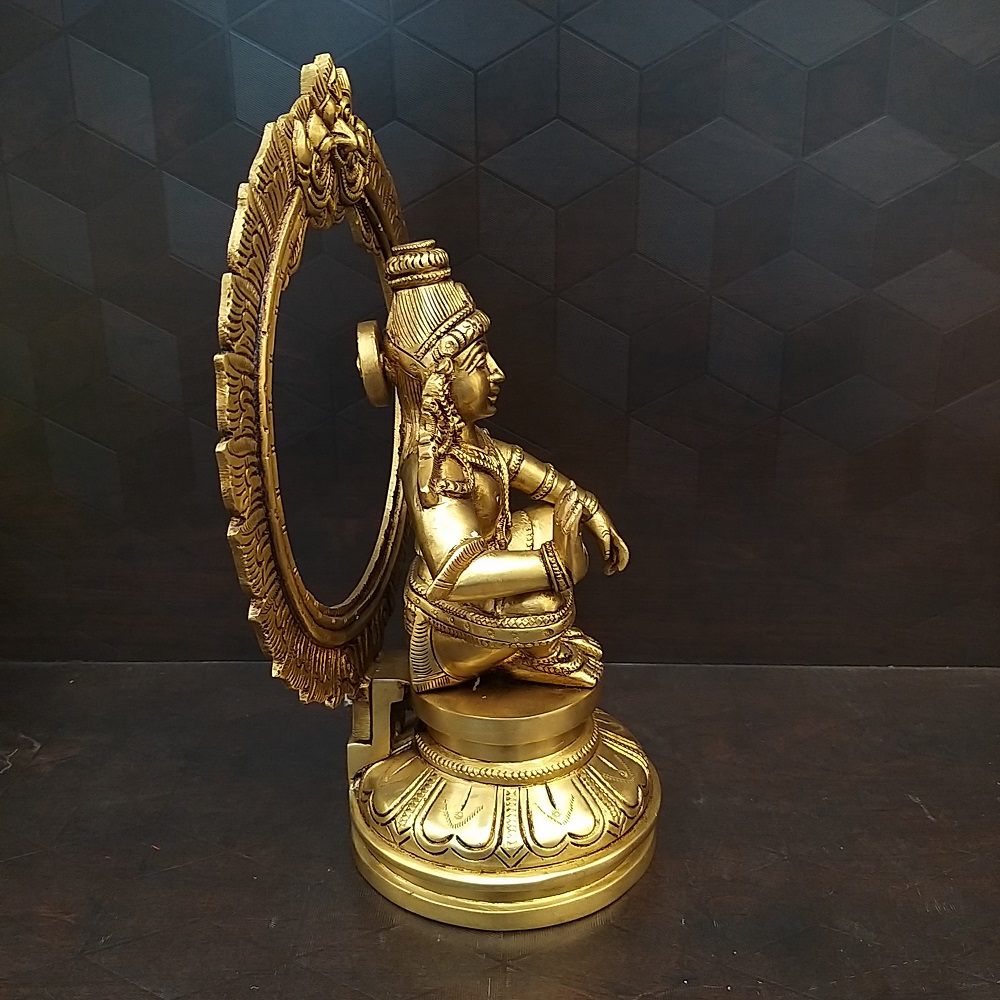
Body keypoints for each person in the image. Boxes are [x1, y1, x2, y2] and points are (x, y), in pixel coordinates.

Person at [379, 241, 629, 692]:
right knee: (545, 599)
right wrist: (555, 563)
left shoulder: (475, 443)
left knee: (554, 519)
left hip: (483, 592)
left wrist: (590, 510)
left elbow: (542, 480)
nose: (497, 372)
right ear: (440, 382)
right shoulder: (432, 468)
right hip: (445, 629)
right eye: (479, 365)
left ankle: (532, 647)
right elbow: (459, 576)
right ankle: (535, 651)